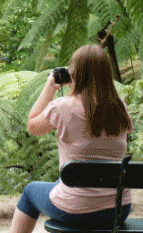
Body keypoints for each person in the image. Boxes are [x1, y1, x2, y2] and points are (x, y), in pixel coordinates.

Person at [9, 44, 133, 233]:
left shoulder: (63, 107)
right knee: (63, 183)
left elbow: (33, 126)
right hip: (119, 208)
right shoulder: (119, 107)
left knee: (30, 191)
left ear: (73, 74)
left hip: (78, 210)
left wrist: (50, 86)